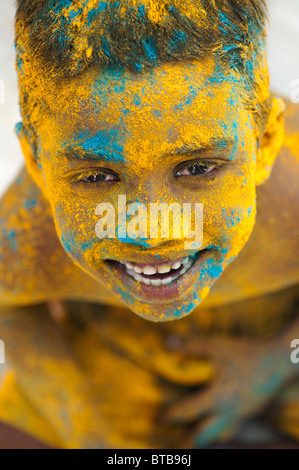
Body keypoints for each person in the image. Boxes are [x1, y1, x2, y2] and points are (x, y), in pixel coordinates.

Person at [0, 0, 298, 449]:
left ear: (266, 143)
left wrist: (278, 360)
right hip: (113, 359)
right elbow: (9, 303)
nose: (151, 229)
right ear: (37, 163)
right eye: (98, 176)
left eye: (197, 169)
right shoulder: (22, 243)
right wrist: (87, 427)